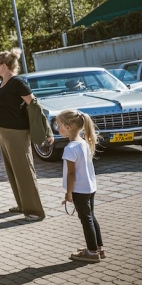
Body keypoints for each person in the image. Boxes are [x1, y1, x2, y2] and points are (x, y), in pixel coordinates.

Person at [0, 48, 53, 222]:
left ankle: (35, 211)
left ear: (4, 66)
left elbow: (34, 106)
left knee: (24, 171)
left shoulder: (17, 82)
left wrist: (46, 131)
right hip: (4, 133)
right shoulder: (2, 83)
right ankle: (22, 205)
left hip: (16, 133)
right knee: (12, 171)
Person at [58, 109, 105, 263]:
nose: (57, 128)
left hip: (79, 190)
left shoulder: (70, 148)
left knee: (86, 220)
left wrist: (68, 194)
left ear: (68, 127)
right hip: (90, 187)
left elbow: (71, 174)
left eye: (59, 125)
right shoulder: (84, 142)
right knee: (91, 217)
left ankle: (92, 253)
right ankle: (98, 248)